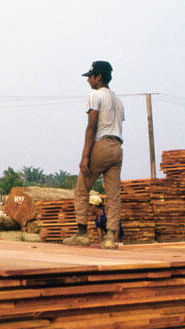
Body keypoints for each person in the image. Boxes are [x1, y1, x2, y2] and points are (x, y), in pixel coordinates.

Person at [63, 60, 125, 249]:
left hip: (102, 145)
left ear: (99, 77)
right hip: (117, 147)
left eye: (90, 76)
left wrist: (85, 157)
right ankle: (110, 237)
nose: (88, 80)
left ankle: (82, 233)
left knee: (82, 189)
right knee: (113, 194)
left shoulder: (95, 96)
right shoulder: (118, 100)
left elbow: (91, 127)